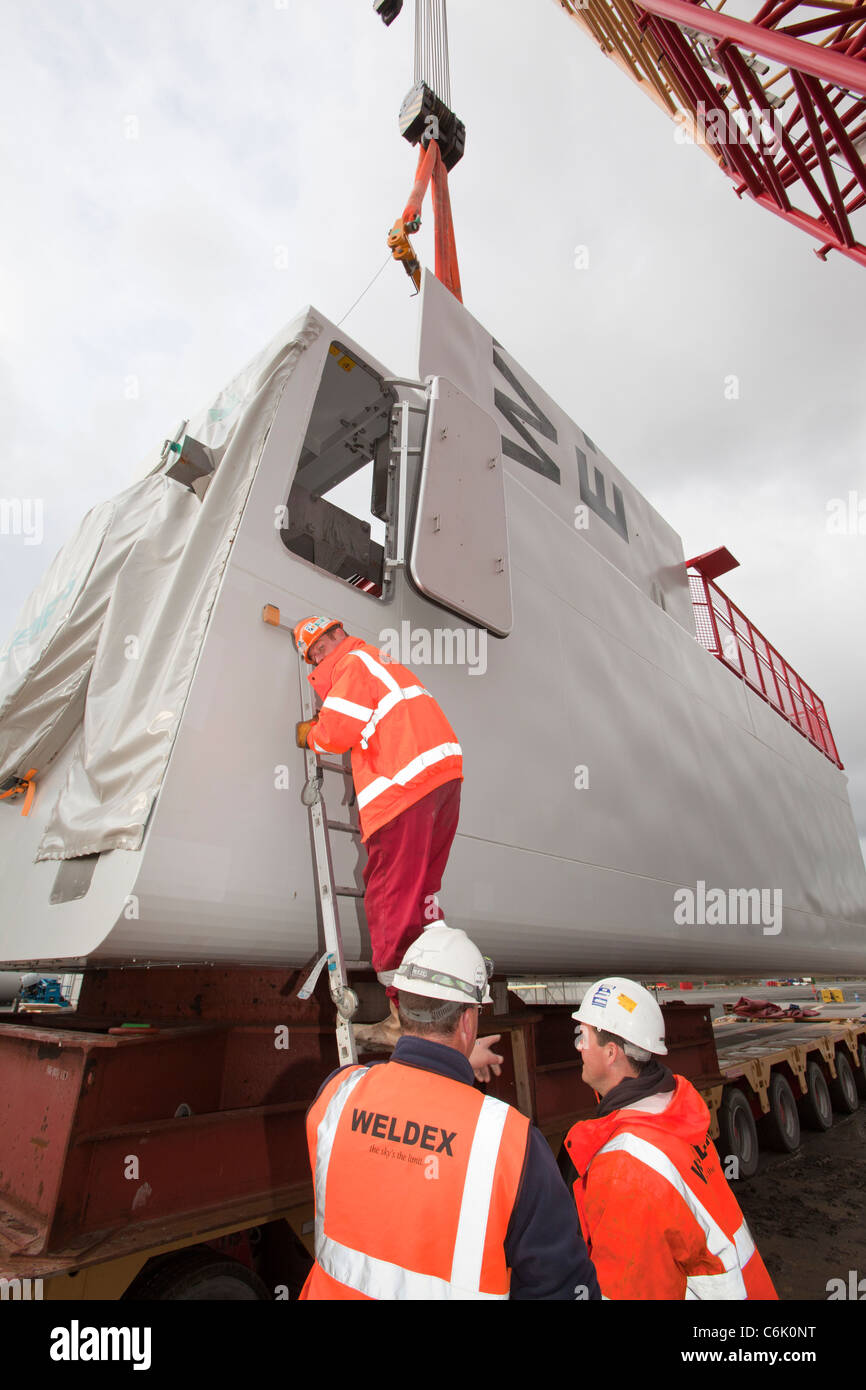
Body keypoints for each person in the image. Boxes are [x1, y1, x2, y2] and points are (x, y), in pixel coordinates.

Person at [300, 924, 601, 1300]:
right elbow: (558, 1286)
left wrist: (448, 1062)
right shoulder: (511, 1142)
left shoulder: (337, 1094)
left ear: (398, 1007)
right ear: (468, 1021)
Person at [294, 615, 462, 1049]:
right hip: (441, 781)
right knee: (422, 897)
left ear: (337, 636)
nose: (320, 656)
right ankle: (437, 1009)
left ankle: (404, 1020)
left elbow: (335, 733)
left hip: (403, 791)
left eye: (320, 647)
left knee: (389, 897)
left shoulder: (352, 664)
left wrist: (311, 734)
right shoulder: (383, 664)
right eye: (313, 655)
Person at [558, 977, 778, 1301]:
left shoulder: (623, 1167)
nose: (578, 1047)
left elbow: (630, 1291)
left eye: (584, 1037)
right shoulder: (674, 1109)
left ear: (610, 1053)